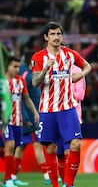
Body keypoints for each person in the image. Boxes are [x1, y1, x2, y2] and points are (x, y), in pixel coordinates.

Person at [31, 21, 91, 187]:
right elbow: (35, 82)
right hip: (48, 110)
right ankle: (55, 184)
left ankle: (69, 183)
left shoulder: (70, 54)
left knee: (76, 144)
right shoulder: (38, 57)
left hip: (68, 108)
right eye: (53, 34)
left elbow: (87, 66)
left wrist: (81, 75)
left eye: (58, 34)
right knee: (50, 148)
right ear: (46, 37)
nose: (56, 37)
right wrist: (45, 69)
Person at [11, 51, 50, 186]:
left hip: (26, 115)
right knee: (37, 144)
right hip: (29, 116)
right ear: (32, 62)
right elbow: (22, 98)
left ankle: (12, 176)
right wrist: (28, 116)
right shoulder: (27, 76)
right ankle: (47, 177)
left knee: (21, 147)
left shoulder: (24, 73)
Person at [2, 56, 40, 187]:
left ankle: (11, 177)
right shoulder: (1, 82)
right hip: (4, 121)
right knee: (10, 145)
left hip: (17, 121)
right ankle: (8, 180)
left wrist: (35, 112)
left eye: (18, 66)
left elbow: (26, 98)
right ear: (7, 66)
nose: (17, 69)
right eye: (14, 66)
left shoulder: (20, 81)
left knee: (13, 149)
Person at [56, 64, 86, 184]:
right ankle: (64, 182)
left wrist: (61, 92)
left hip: (72, 115)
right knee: (59, 153)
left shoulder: (77, 71)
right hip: (55, 114)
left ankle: (69, 183)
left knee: (69, 150)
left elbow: (80, 95)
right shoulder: (52, 69)